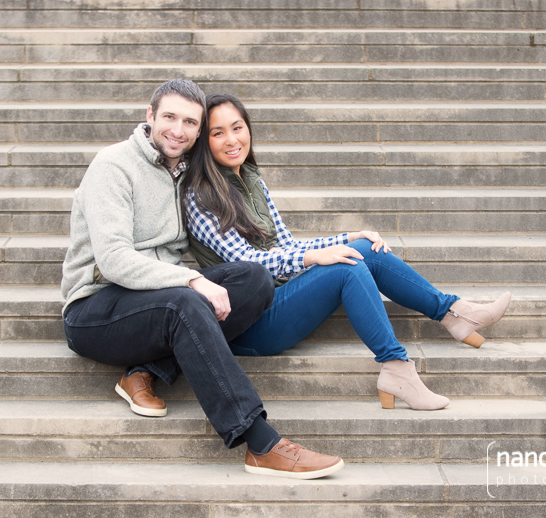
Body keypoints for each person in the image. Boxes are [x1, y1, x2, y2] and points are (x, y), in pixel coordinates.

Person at [60, 79, 344, 479]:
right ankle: (260, 442)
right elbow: (114, 260)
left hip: (156, 302)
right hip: (96, 308)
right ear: (150, 116)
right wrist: (192, 281)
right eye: (170, 117)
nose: (178, 130)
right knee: (187, 300)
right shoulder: (114, 166)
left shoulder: (184, 172)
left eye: (190, 122)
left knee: (254, 278)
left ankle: (149, 371)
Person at [184, 93, 512, 411]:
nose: (232, 139)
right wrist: (316, 257)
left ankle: (454, 313)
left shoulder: (252, 180)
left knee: (364, 248)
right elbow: (249, 262)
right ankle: (397, 366)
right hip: (249, 324)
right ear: (204, 142)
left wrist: (347, 237)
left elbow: (287, 246)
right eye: (218, 132)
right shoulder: (199, 197)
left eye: (237, 127)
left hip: (281, 299)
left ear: (248, 129)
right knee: (347, 267)